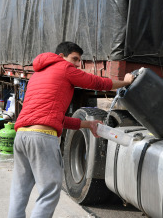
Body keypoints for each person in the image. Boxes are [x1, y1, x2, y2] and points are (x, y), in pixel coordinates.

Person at [8, 41, 134, 218]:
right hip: (42, 138)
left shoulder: (37, 75)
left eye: (79, 61)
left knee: (19, 190)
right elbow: (96, 83)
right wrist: (125, 82)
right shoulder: (64, 68)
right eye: (74, 59)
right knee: (50, 190)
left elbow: (53, 118)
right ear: (61, 57)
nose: (76, 64)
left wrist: (87, 124)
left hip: (22, 136)